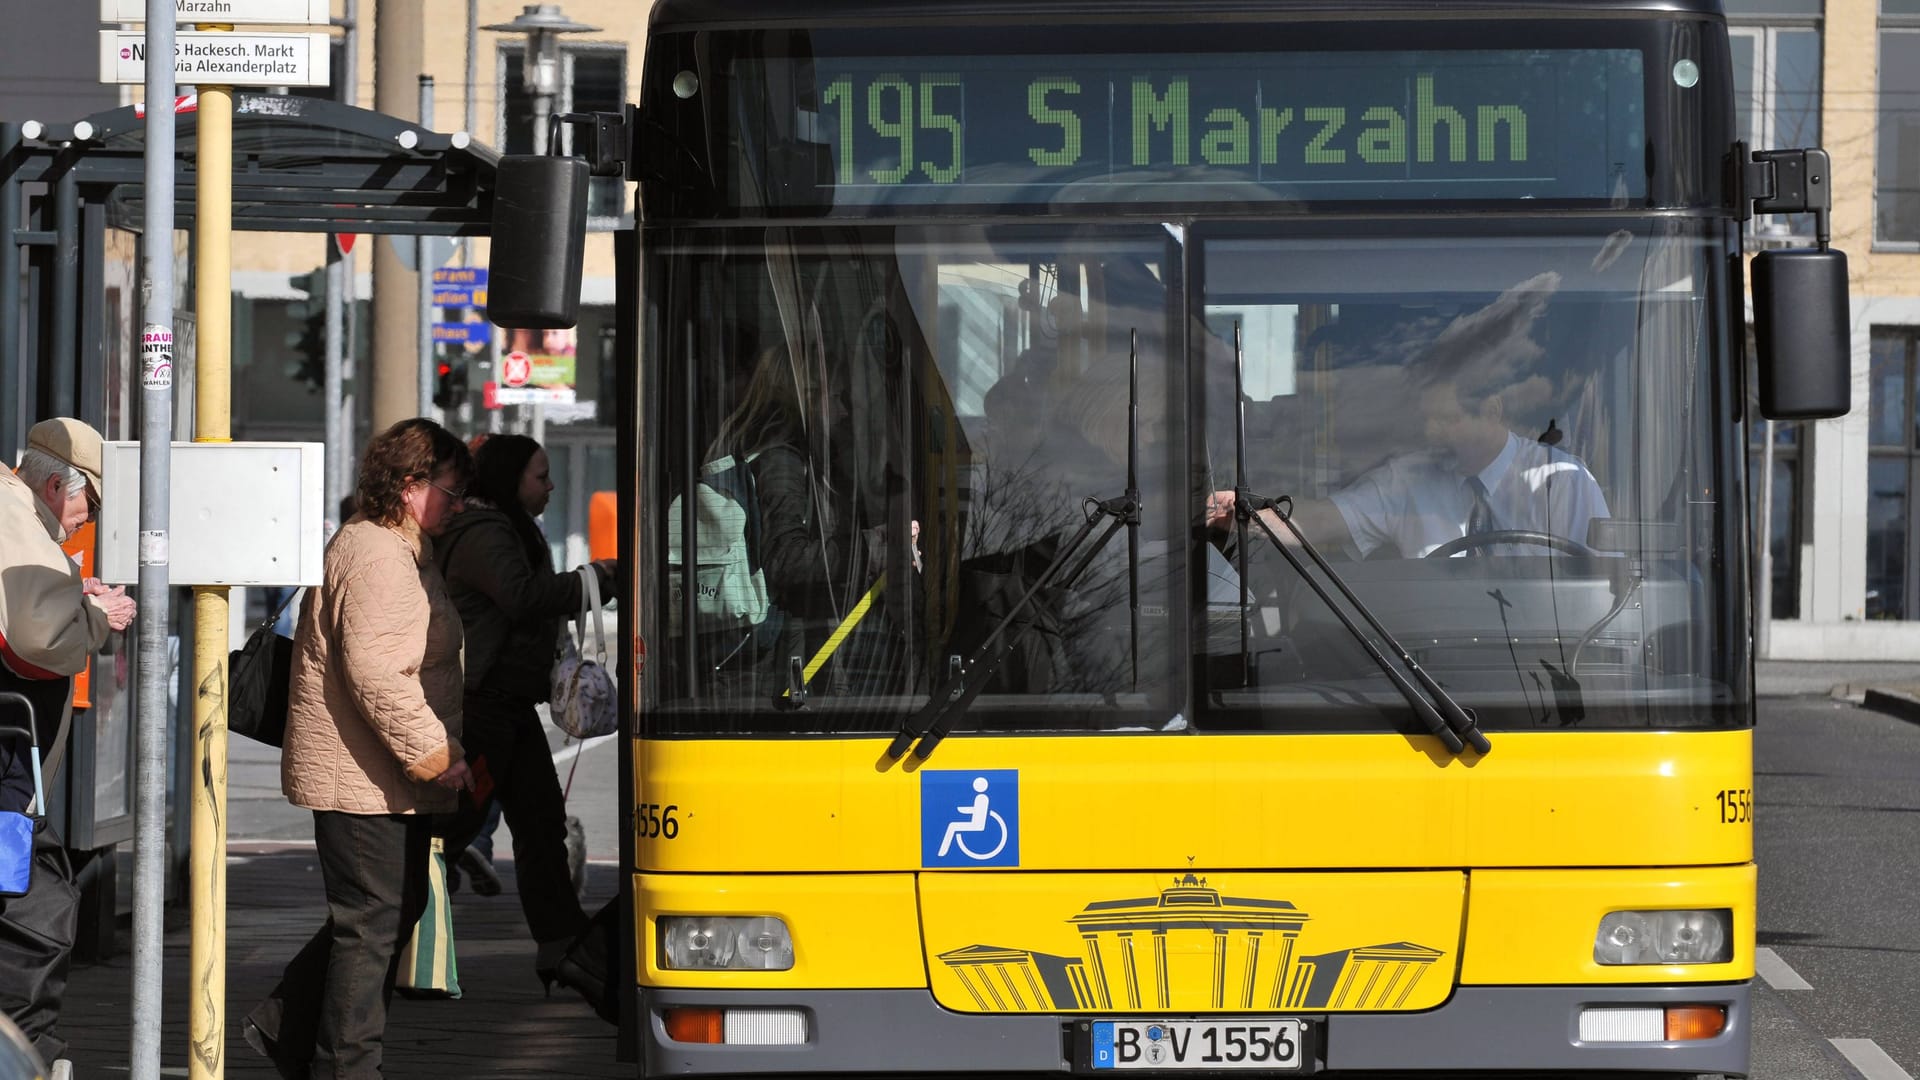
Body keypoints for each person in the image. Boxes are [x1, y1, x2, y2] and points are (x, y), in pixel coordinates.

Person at [245, 417, 474, 1079]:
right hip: (362, 776)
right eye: (450, 493)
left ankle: (284, 1027)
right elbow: (376, 671)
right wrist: (436, 751)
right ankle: (349, 1066)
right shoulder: (377, 555)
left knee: (381, 914)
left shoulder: (394, 548)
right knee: (372, 923)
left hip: (374, 773)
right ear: (409, 485)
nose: (457, 508)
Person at [1208, 272, 1608, 559]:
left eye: (1446, 420)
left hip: (1538, 668)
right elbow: (1322, 521)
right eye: (1427, 419)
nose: (1432, 433)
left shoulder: (1563, 485)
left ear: (1492, 410)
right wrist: (1246, 516)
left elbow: (1600, 590)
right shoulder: (1407, 480)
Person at [434, 434, 612, 986]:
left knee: (540, 823)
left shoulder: (509, 529)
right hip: (483, 708)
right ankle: (376, 945)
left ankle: (564, 944)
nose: (551, 486)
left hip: (509, 705)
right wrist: (597, 579)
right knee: (452, 829)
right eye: (540, 475)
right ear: (512, 479)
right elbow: (523, 598)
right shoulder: (487, 532)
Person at [0, 418, 136, 1067]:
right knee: (34, 907)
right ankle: (22, 1055)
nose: (85, 520)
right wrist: (96, 617)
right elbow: (34, 634)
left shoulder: (16, 509)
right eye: (90, 503)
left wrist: (73, 592)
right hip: (8, 767)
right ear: (61, 486)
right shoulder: (16, 512)